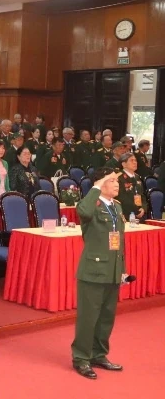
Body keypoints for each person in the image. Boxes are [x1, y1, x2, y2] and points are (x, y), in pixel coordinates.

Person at [71, 168, 126, 379]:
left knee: (106, 318)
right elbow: (82, 212)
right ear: (101, 183)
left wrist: (122, 270)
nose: (116, 184)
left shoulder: (117, 207)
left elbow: (120, 241)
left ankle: (98, 354)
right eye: (112, 181)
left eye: (116, 181)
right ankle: (81, 358)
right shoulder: (92, 205)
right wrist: (95, 186)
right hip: (93, 271)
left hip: (111, 270)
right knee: (88, 317)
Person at [116, 152, 147, 222]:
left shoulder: (137, 177)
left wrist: (143, 208)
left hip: (140, 213)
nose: (135, 162)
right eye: (131, 160)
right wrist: (136, 210)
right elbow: (121, 198)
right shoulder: (119, 177)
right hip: (126, 214)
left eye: (135, 160)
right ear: (124, 164)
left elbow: (142, 195)